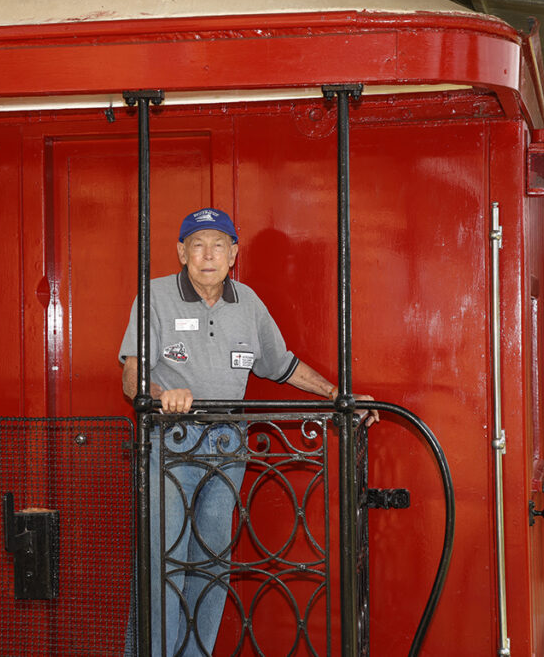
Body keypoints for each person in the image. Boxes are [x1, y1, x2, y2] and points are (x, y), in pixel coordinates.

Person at [119, 207, 377, 656]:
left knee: (212, 568)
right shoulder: (155, 296)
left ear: (233, 253)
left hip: (227, 448)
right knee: (164, 564)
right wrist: (161, 394)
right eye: (197, 245)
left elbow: (283, 366)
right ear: (181, 252)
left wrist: (340, 398)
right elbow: (131, 376)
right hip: (171, 444)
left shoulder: (249, 304)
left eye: (219, 245)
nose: (208, 255)